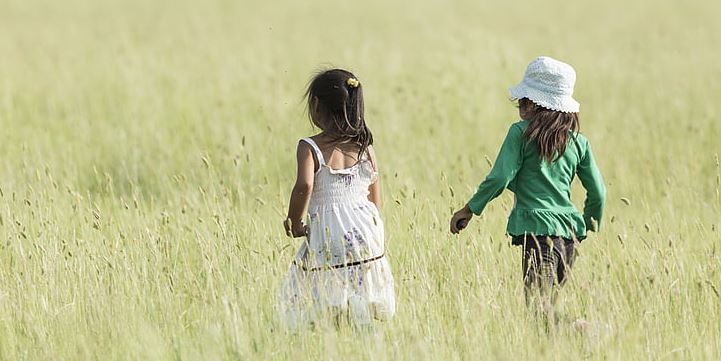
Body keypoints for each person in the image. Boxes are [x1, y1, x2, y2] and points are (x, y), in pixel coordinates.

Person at [450, 56, 606, 311]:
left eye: (528, 98)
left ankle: (582, 329)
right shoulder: (579, 143)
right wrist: (585, 228)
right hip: (568, 238)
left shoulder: (519, 133)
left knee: (538, 313)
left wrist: (469, 209)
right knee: (547, 308)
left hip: (537, 234)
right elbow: (599, 193)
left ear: (541, 104)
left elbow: (501, 177)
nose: (522, 103)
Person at [279, 69, 395, 329]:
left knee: (324, 293)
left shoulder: (309, 146)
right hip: (366, 233)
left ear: (316, 104)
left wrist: (295, 221)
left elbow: (305, 185)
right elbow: (376, 201)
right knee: (361, 295)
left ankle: (329, 338)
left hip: (330, 231)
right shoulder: (366, 147)